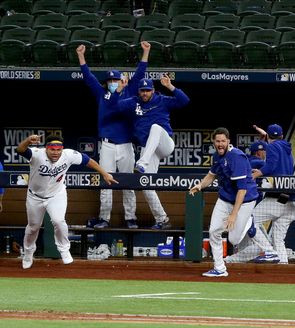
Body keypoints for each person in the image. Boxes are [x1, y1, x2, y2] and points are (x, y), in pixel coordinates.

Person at [77, 41, 150, 230]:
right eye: (109, 81)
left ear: (121, 80)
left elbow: (140, 74)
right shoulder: (103, 94)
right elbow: (88, 77)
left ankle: (131, 217)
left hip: (126, 145)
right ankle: (104, 218)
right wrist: (81, 56)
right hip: (107, 145)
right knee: (105, 180)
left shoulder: (129, 92)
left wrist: (145, 52)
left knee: (128, 182)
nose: (112, 83)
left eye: (115, 80)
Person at [16, 134, 117, 269]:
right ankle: (28, 253)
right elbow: (20, 150)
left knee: (58, 221)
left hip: (56, 195)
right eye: (52, 149)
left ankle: (64, 250)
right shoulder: (37, 154)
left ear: (62, 149)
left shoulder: (68, 155)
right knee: (33, 227)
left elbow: (88, 160)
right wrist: (28, 140)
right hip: (35, 197)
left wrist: (104, 173)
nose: (56, 152)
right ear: (46, 148)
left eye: (58, 150)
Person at [117, 74, 190, 229]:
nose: (145, 93)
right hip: (148, 148)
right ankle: (162, 219)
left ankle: (142, 162)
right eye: (142, 90)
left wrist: (171, 87)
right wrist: (120, 90)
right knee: (146, 184)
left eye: (147, 90)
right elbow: (116, 106)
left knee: (155, 128)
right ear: (139, 91)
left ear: (153, 90)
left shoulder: (162, 99)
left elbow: (184, 101)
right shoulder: (134, 102)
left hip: (164, 144)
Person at [189, 127, 260, 277]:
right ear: (214, 142)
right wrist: (200, 186)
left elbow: (242, 190)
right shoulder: (217, 156)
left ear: (228, 141)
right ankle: (220, 268)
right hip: (225, 198)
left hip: (245, 200)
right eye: (217, 141)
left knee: (233, 239)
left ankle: (249, 220)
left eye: (223, 141)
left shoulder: (237, 157)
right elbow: (211, 175)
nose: (220, 144)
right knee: (214, 231)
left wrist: (234, 215)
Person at [250, 124, 295, 264]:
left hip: (277, 200)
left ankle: (269, 252)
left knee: (249, 220)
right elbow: (283, 175)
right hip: (288, 201)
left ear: (269, 137)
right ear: (281, 135)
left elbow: (271, 166)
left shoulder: (273, 146)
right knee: (278, 239)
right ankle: (283, 268)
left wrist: (259, 173)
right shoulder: (287, 149)